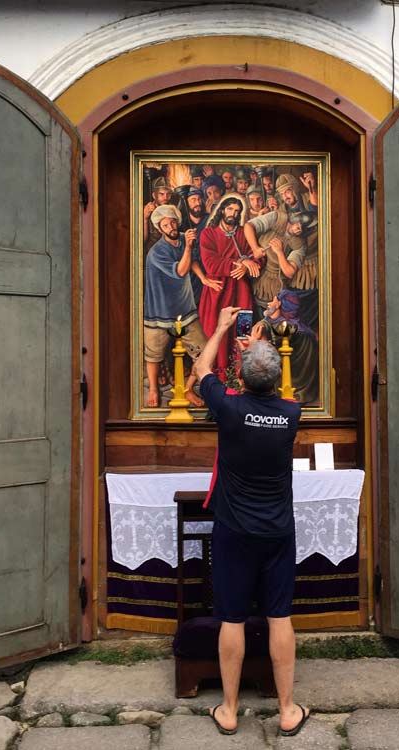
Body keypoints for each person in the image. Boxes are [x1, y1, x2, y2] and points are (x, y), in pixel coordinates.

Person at [194, 306, 310, 738]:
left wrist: (225, 328)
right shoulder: (291, 415)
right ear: (276, 378)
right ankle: (286, 709)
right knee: (280, 617)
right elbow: (270, 391)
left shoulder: (228, 408)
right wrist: (258, 353)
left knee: (232, 618)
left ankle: (228, 709)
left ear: (239, 379)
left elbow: (203, 367)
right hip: (277, 530)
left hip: (234, 530)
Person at [143, 204, 206, 407]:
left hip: (185, 308)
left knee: (204, 353)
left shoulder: (181, 239)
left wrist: (204, 279)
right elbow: (180, 270)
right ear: (159, 229)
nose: (170, 226)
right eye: (165, 224)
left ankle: (187, 389)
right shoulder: (156, 252)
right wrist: (188, 246)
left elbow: (192, 261)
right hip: (159, 312)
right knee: (154, 353)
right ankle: (153, 388)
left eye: (172, 222)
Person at [198, 194, 260, 377]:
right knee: (218, 334)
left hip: (242, 293)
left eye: (237, 211)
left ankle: (240, 376)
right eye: (230, 209)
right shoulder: (208, 233)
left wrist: (248, 266)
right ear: (222, 210)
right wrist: (241, 263)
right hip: (217, 293)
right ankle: (217, 377)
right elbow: (211, 264)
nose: (234, 213)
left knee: (243, 331)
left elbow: (258, 257)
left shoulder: (243, 233)